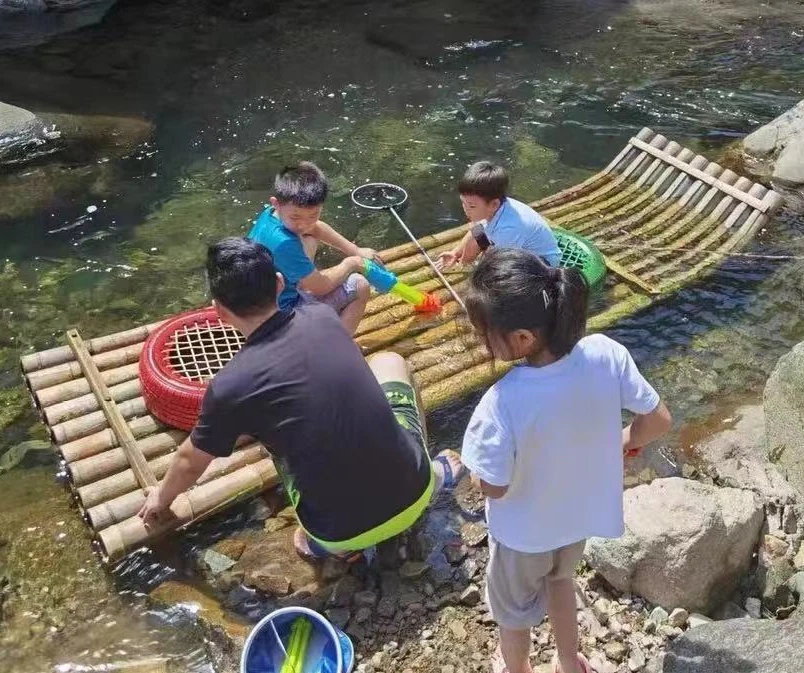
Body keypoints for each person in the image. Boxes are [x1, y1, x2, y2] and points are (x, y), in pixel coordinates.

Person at [139, 238, 464, 561]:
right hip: (416, 492)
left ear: (218, 311)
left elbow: (188, 461)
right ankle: (431, 473)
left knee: (286, 462)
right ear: (279, 284)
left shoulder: (229, 386)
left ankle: (335, 550)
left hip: (338, 534)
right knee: (390, 361)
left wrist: (161, 499)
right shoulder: (321, 316)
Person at [460, 249, 671, 673]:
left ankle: (517, 668)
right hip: (577, 521)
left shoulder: (501, 403)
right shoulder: (605, 352)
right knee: (561, 581)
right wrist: (623, 440)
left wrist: (476, 480)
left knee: (512, 614)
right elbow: (659, 420)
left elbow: (496, 487)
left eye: (485, 332)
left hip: (523, 538)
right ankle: (567, 661)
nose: (482, 340)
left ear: (521, 339)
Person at [247, 161, 376, 335]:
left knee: (308, 239)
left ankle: (304, 279)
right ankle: (339, 348)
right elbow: (321, 287)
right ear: (276, 203)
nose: (304, 224)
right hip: (281, 319)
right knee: (360, 285)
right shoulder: (284, 243)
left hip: (263, 301)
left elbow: (315, 228)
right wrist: (351, 263)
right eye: (296, 217)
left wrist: (355, 250)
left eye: (313, 215)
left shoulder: (271, 214)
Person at [436, 161, 560, 272]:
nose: (465, 209)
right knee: (477, 232)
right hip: (515, 250)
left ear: (494, 204)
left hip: (542, 264)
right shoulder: (494, 207)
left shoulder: (509, 228)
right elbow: (475, 231)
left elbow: (499, 263)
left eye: (471, 206)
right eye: (463, 202)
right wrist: (456, 253)